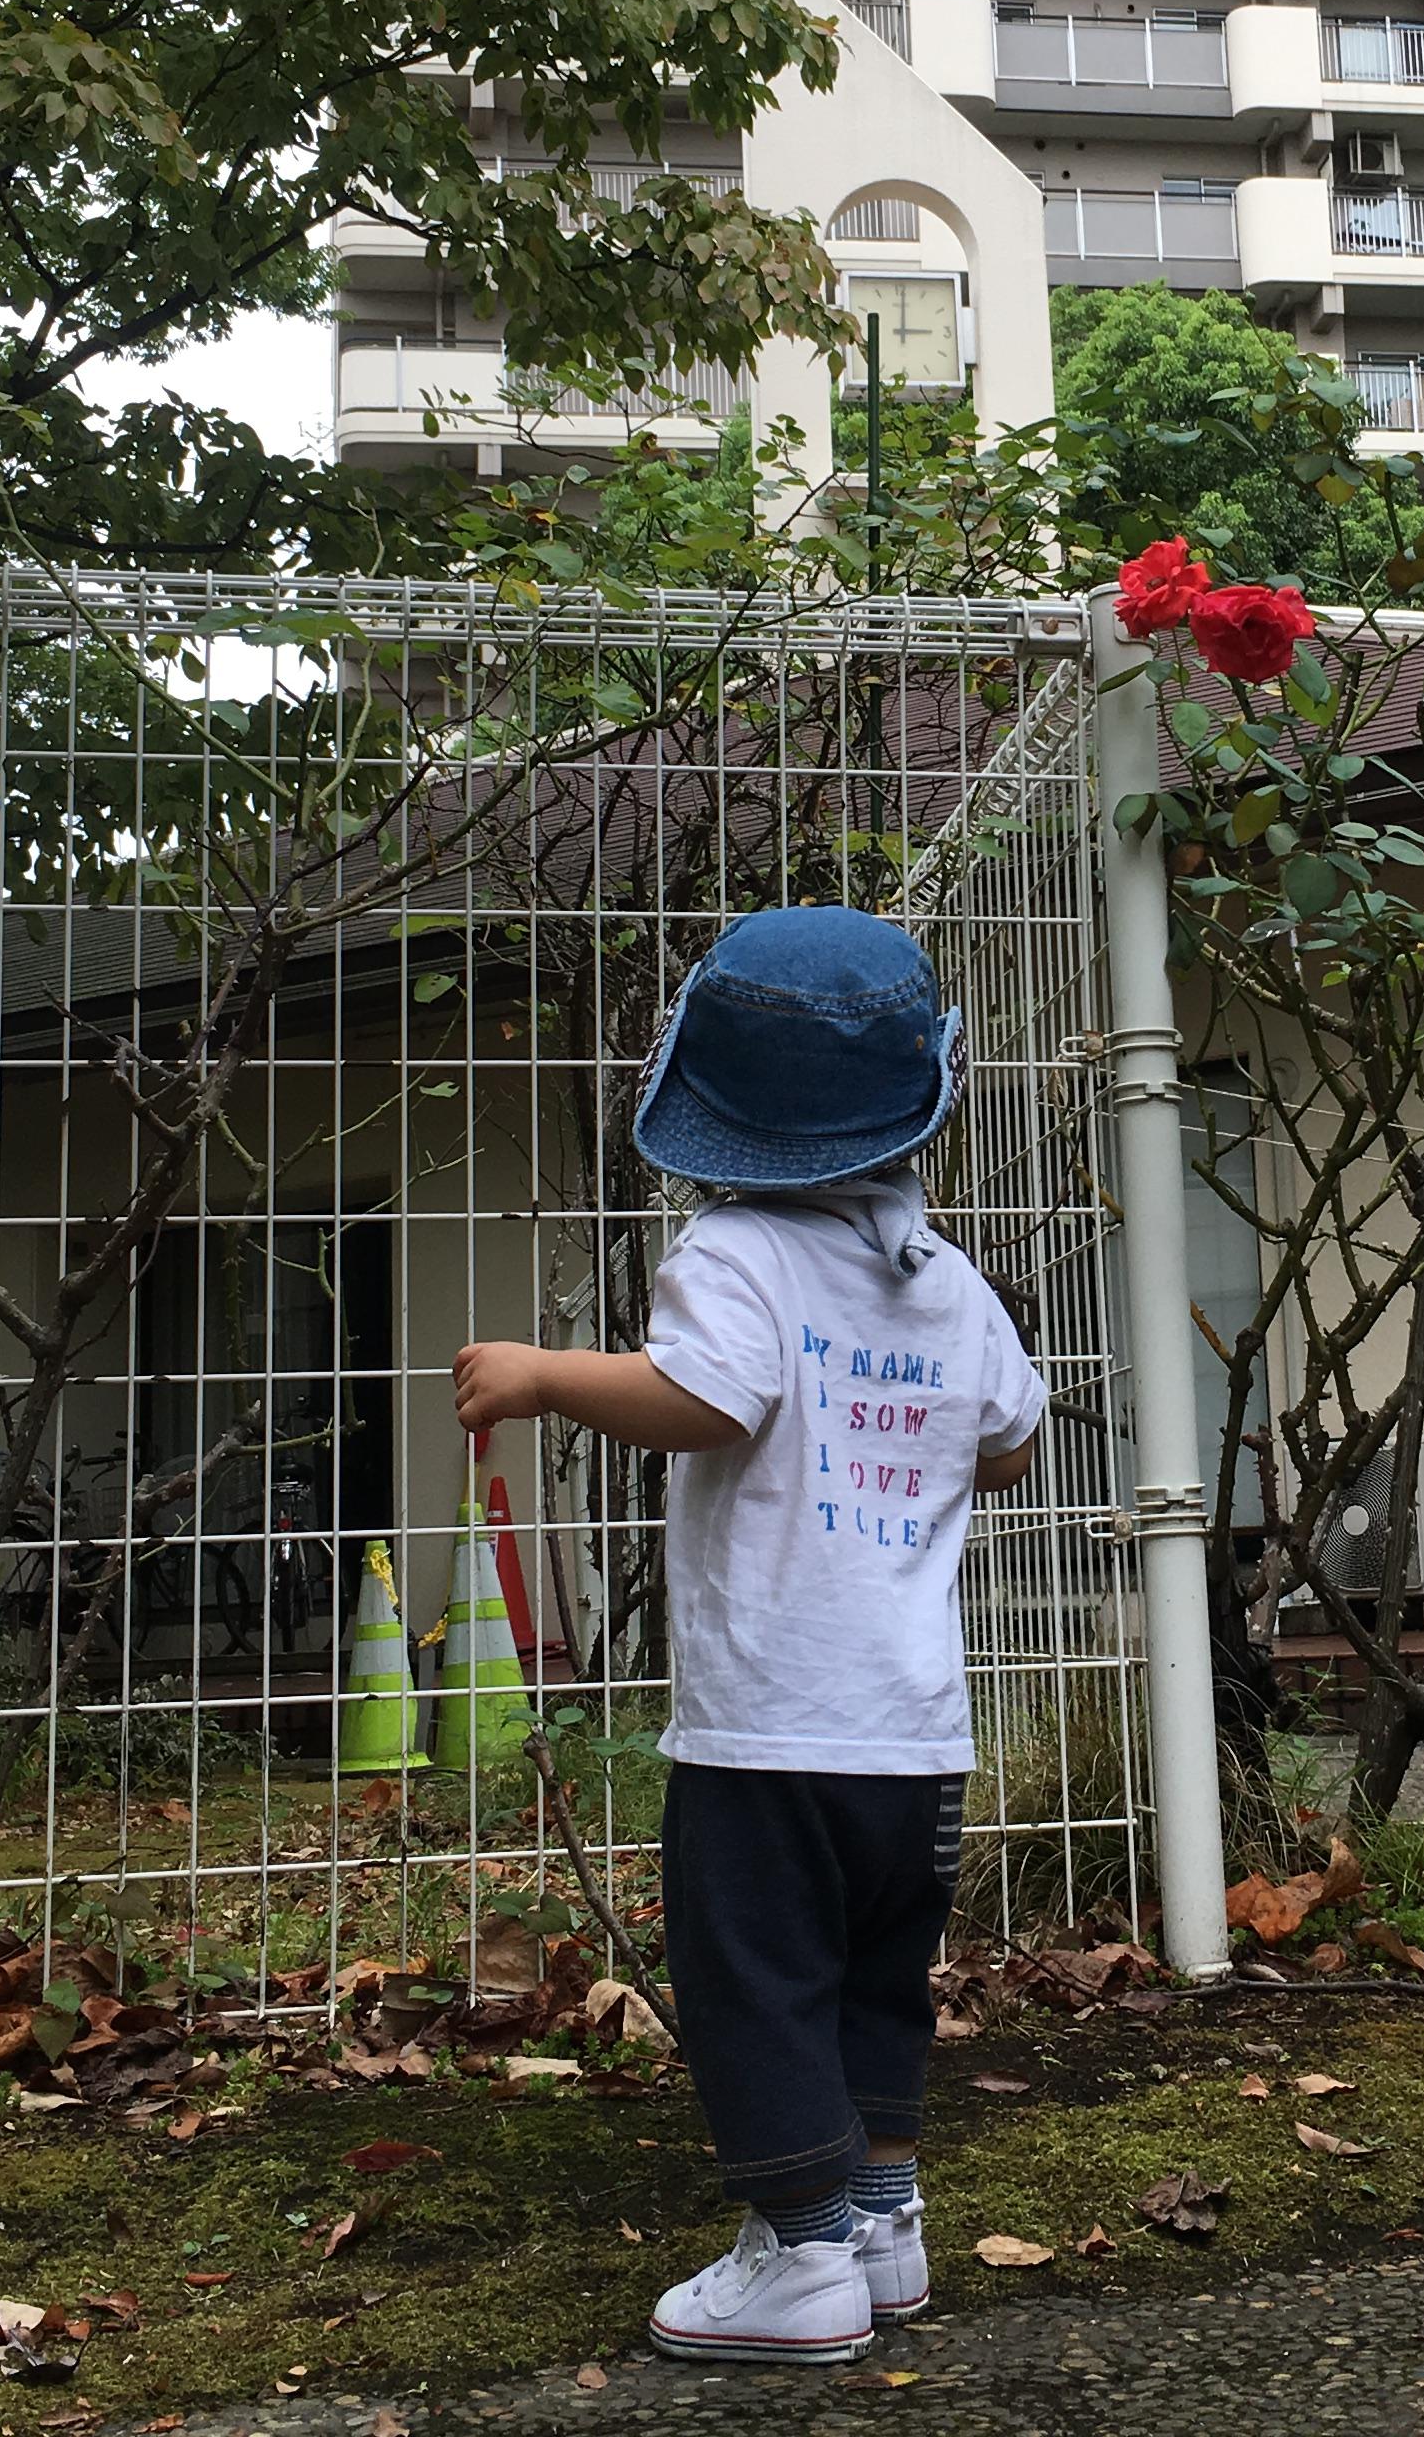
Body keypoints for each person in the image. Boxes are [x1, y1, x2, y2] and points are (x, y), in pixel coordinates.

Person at [453, 904, 1045, 2365]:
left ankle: (801, 2259)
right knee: (876, 1980)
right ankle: (884, 2222)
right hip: (914, 1736)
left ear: (720, 1111)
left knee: (756, 1983)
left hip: (770, 1729)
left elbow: (705, 1401)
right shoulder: (952, 1280)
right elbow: (1012, 1445)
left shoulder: (734, 1252)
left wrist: (544, 1374)